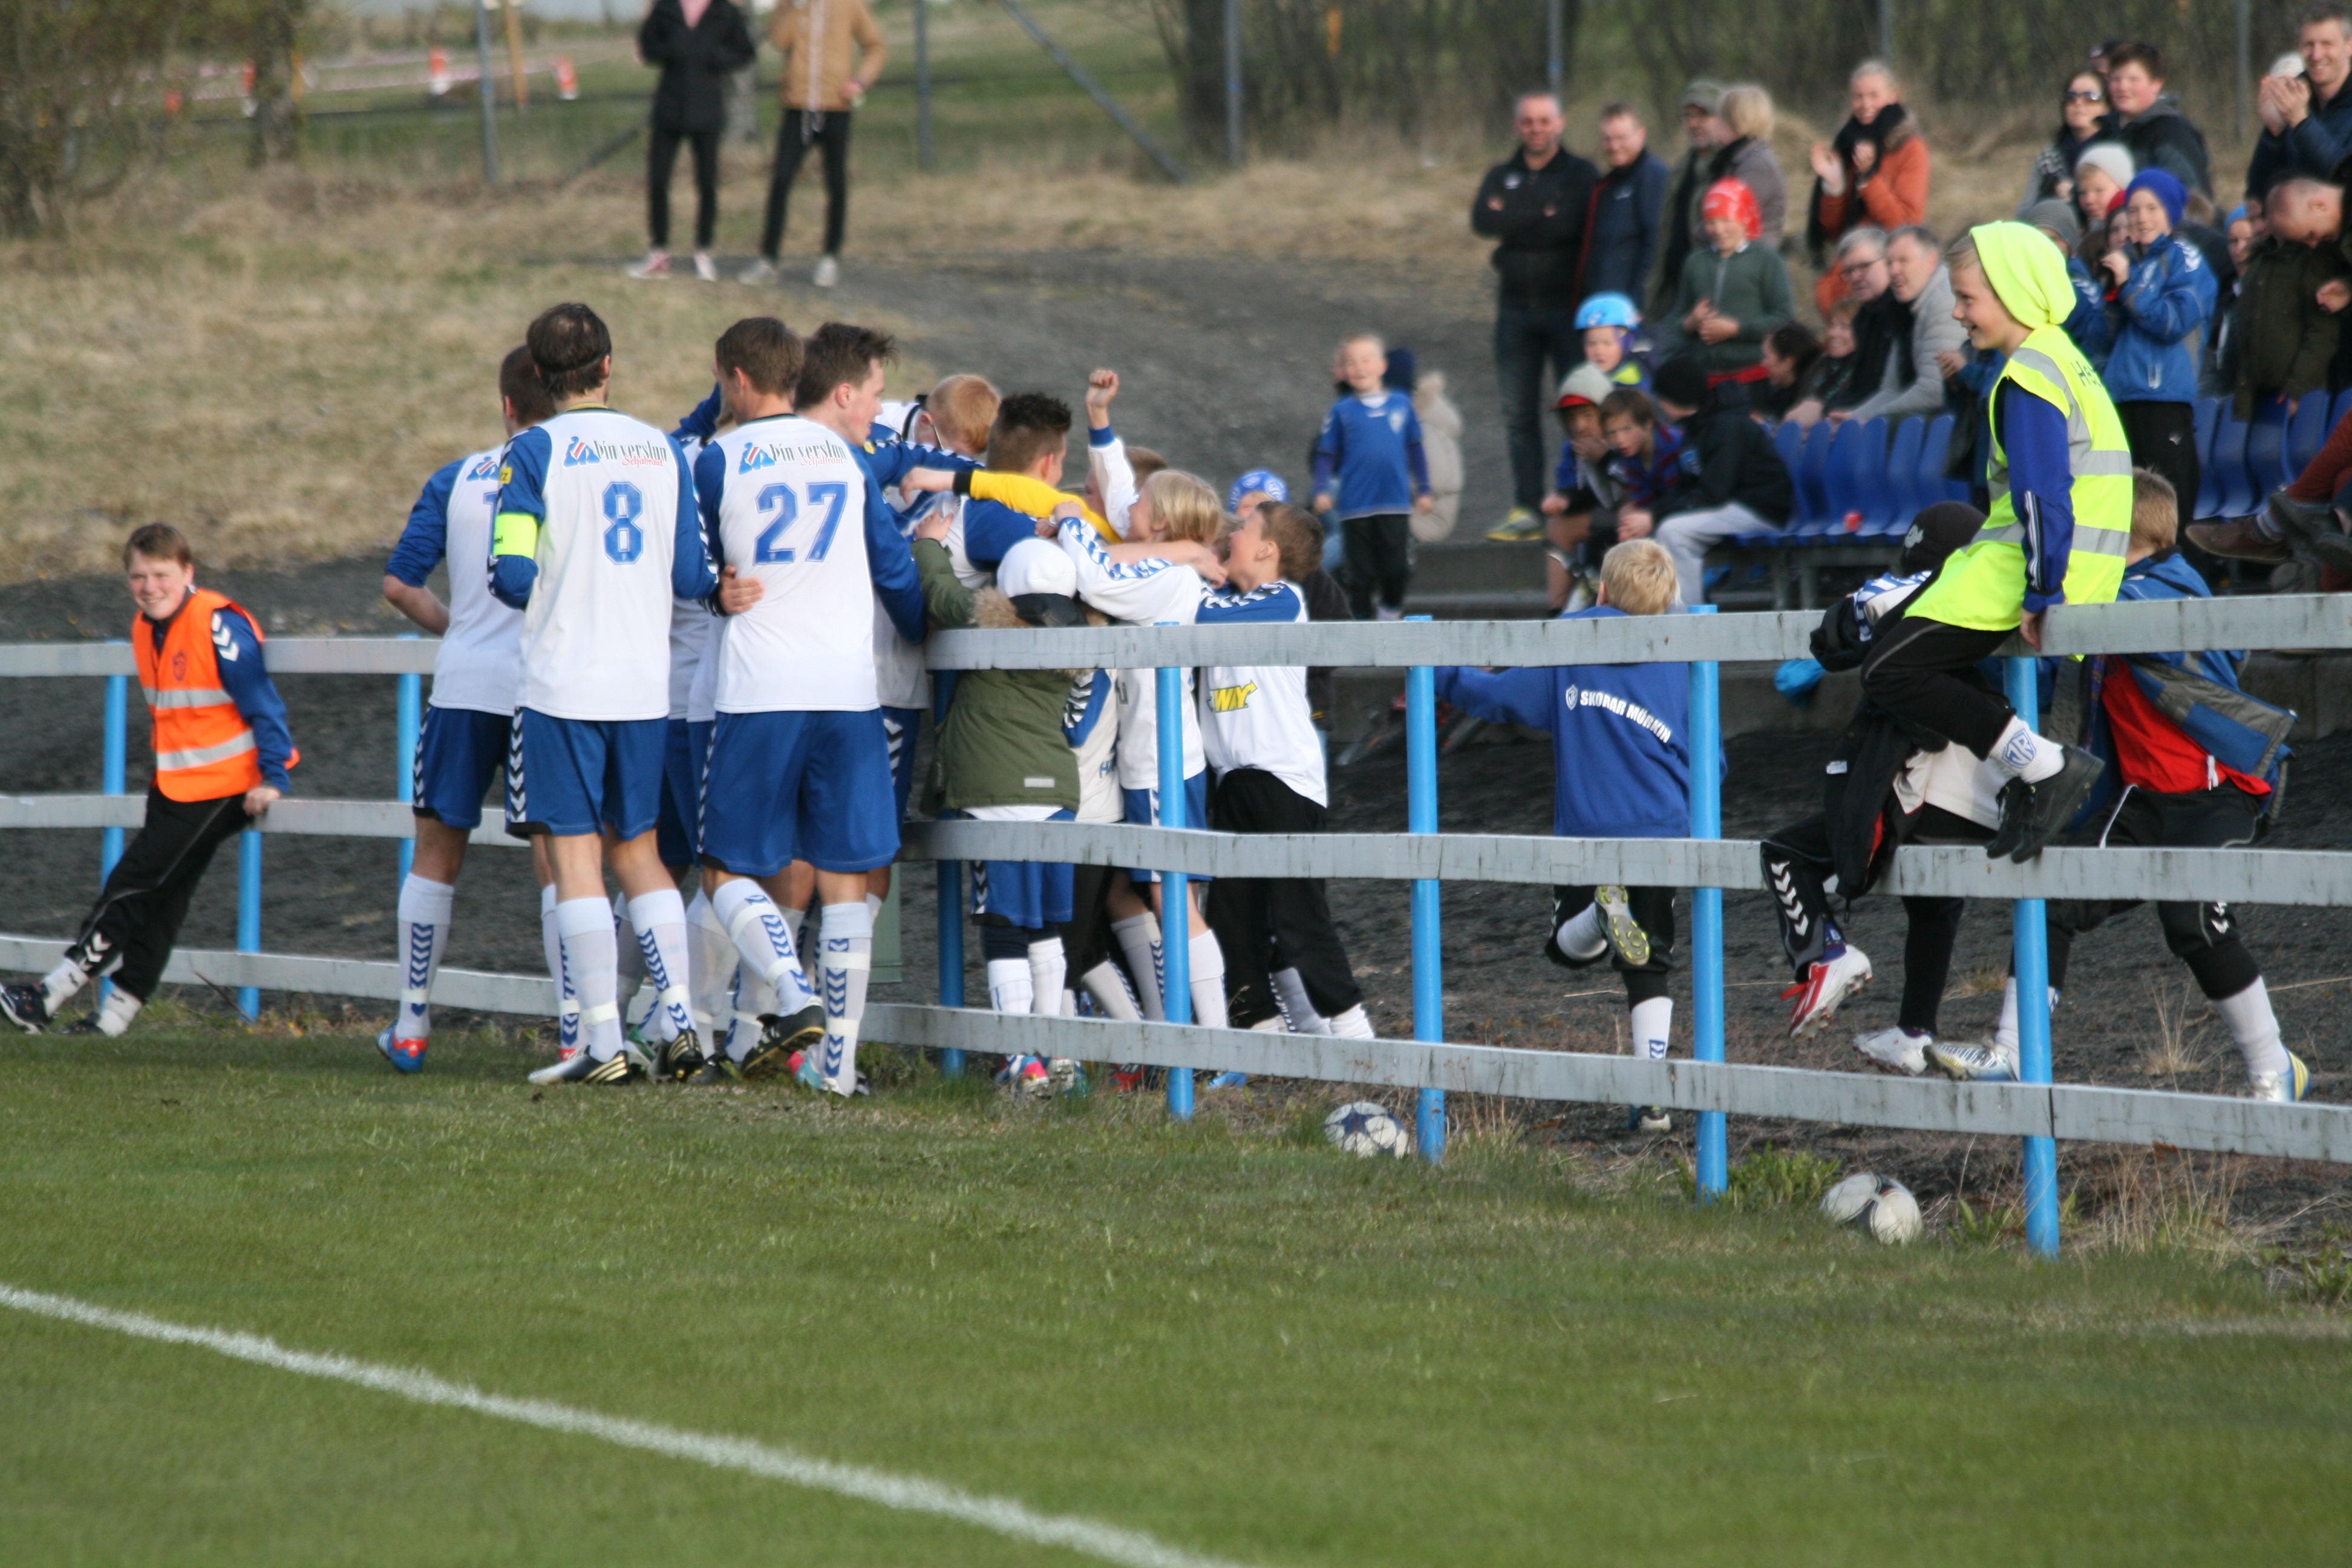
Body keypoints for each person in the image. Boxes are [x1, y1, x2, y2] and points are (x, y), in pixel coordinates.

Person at [1926, 473, 2308, 1103]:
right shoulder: (2106, 593)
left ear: (2116, 532)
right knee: (2052, 900)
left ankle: (2275, 1069)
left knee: (2195, 923)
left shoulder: (2171, 586)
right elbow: (2044, 659)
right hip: (2140, 800)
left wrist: (2046, 594)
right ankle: (2013, 1053)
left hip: (2215, 793)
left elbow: (2125, 617)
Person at [1850, 224, 2128, 898]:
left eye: (1968, 298)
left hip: (2032, 571)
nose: (1957, 312)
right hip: (2055, 566)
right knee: (1915, 665)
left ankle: (2040, 767)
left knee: (1888, 670)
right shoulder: (2061, 358)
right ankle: (2027, 774)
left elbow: (2042, 497)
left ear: (2013, 296)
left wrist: (2043, 589)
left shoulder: (2029, 374)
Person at [693, 320, 924, 1094]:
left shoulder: (719, 457)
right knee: (850, 875)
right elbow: (896, 570)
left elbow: (693, 565)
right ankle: (839, 1067)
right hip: (851, 693)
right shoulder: (847, 458)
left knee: (726, 867)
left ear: (738, 379)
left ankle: (789, 997)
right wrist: (927, 635)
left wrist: (714, 592)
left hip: (762, 691)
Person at [489, 303, 716, 1086]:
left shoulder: (532, 452)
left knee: (577, 857)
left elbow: (511, 575)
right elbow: (693, 575)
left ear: (539, 375)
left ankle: (602, 1041)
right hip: (643, 688)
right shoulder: (662, 448)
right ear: (609, 367)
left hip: (563, 685)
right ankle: (681, 1020)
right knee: (641, 854)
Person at [1433, 540, 1697, 1133]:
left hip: (1590, 828)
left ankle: (1600, 919)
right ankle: (1653, 1099)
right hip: (1663, 827)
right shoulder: (1683, 650)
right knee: (1649, 961)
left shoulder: (1572, 641)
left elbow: (1498, 699)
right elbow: (1710, 756)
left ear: (1601, 592)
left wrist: (1438, 672)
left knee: (1565, 945)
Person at [1, 524, 298, 1037]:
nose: (150, 587)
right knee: (164, 898)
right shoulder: (145, 627)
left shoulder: (218, 622)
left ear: (187, 572)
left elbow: (262, 700)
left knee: (131, 885)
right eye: (139, 577)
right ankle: (114, 1018)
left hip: (224, 785)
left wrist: (273, 777)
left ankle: (48, 995)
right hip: (175, 784)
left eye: (162, 575)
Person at [1756, 501, 1992, 1060]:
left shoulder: (1920, 593)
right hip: (1979, 799)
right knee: (1935, 904)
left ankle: (1826, 953)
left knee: (1784, 853)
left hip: (1914, 793)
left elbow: (1838, 629)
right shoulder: (1999, 599)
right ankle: (1915, 1033)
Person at [375, 347, 557, 1072]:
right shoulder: (577, 470)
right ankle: (575, 1030)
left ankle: (411, 1025)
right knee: (560, 859)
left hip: (465, 686)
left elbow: (399, 584)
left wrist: (461, 630)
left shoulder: (458, 477)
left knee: (436, 853)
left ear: (507, 405)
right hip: (547, 687)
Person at [907, 524, 1091, 1090]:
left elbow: (941, 595)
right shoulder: (1082, 642)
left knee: (1004, 924)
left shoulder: (987, 617)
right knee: (1046, 924)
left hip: (995, 792)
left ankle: (1019, 1059)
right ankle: (1054, 1054)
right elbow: (1077, 723)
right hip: (1056, 794)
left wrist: (929, 545)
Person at [1198, 503, 1374, 1043]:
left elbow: (1202, 617)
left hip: (1283, 779)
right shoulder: (1228, 598)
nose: (1232, 534)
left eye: (1244, 528)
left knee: (1298, 915)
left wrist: (1189, 566)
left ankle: (1355, 1032)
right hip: (1234, 779)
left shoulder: (1283, 598)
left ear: (1267, 550)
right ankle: (1262, 1029)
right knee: (1232, 918)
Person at [1472, 89, 1599, 543]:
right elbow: (1482, 221)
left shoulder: (1581, 173)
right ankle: (1527, 507)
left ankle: (1583, 500)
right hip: (1514, 312)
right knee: (1518, 415)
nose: (1536, 129)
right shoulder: (1500, 173)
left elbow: (1568, 223)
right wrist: (1539, 215)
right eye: (1528, 121)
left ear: (1560, 124)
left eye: (1545, 121)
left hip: (1567, 310)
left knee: (1580, 408)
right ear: (1517, 126)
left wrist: (1514, 218)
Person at [1624, 354, 1794, 606]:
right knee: (1664, 530)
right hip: (1731, 505)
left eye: (1662, 398)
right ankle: (1666, 610)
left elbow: (1713, 492)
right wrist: (1651, 514)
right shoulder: (1696, 426)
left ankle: (1685, 618)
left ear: (1673, 398)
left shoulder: (1728, 425)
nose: (1660, 404)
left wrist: (1655, 515)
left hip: (1760, 509)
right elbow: (1685, 488)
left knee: (1674, 532)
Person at [743, 0, 887, 289]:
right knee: (781, 179)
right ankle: (768, 258)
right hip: (797, 108)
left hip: (836, 107)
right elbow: (779, 40)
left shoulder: (849, 4)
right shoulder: (789, 5)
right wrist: (796, 8)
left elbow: (875, 47)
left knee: (836, 182)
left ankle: (830, 257)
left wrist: (860, 82)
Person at [2098, 171, 2214, 522]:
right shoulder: (2132, 261)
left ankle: (2179, 558)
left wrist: (2129, 285)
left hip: (2164, 400)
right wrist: (2109, 294)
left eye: (2152, 208)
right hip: (2122, 397)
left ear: (2171, 212)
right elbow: (2103, 335)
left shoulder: (2185, 259)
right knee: (2129, 510)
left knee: (2169, 505)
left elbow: (2172, 322)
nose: (2142, 218)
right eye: (2133, 210)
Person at [627, 0, 757, 283]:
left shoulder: (724, 11)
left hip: (707, 108)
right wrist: (669, 51)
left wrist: (718, 57)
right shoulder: (665, 9)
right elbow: (647, 46)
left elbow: (746, 52)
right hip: (669, 108)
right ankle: (659, 252)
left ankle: (703, 251)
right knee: (658, 181)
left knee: (707, 184)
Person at [1312, 332, 1432, 620]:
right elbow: (1325, 452)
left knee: (1396, 568)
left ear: (1382, 365)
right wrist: (1321, 489)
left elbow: (1416, 448)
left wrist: (1425, 489)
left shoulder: (1402, 404)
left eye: (1366, 360)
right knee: (1360, 573)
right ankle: (1363, 622)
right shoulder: (1341, 410)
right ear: (1344, 370)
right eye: (1351, 362)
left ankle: (1390, 609)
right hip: (1356, 505)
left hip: (1395, 502)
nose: (1359, 368)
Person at [1808, 62, 1932, 314]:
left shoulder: (1910, 148)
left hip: (1887, 275)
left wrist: (1868, 179)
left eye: (1874, 96)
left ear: (1894, 96)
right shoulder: (1847, 142)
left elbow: (1906, 225)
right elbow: (1834, 232)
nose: (1865, 105)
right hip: (1848, 276)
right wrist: (1834, 186)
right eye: (1858, 97)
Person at [1659, 178, 1792, 381]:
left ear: (1744, 218)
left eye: (1726, 220)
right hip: (1703, 373)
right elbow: (1677, 317)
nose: (1719, 230)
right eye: (1711, 222)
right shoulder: (1695, 261)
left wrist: (1737, 330)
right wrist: (1690, 322)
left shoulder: (1766, 260)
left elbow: (1784, 319)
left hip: (1752, 372)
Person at [1844, 224, 1965, 425]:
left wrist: (1869, 420)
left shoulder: (1945, 305)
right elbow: (1892, 389)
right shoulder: (1902, 308)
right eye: (1889, 263)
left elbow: (1933, 392)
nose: (1894, 271)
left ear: (1931, 262)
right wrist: (1853, 419)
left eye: (1903, 261)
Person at [2248, 3, 2352, 198]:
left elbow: (2345, 179)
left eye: (2327, 44)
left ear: (2349, 45)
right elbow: (2258, 191)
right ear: (2297, 46)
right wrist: (2273, 134)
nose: (2316, 55)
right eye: (2308, 45)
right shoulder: (2292, 98)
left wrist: (2302, 123)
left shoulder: (2296, 111)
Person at [1651, 81, 1726, 326]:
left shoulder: (1729, 168)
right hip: (1674, 294)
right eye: (1688, 116)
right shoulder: (1680, 170)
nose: (1694, 124)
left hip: (1709, 301)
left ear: (1722, 119)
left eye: (1703, 115)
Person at [1579, 102, 1669, 307]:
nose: (1614, 146)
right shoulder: (1607, 185)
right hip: (1602, 304)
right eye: (1607, 139)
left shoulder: (1653, 176)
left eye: (1622, 138)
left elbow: (1656, 245)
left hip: (1632, 309)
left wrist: (1640, 302)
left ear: (1641, 134)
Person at [2099, 42, 2212, 196]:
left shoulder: (2173, 134)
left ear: (2156, 84)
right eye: (2116, 79)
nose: (2122, 87)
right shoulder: (2105, 132)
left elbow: (2191, 196)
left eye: (2133, 80)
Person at [2017, 71, 2113, 217]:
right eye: (2071, 98)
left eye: (2090, 97)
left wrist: (2076, 193)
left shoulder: (2116, 153)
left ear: (2107, 107)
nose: (2078, 103)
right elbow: (2025, 212)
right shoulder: (2049, 158)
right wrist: (2052, 199)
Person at [1706, 85, 1788, 250]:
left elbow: (1730, 218)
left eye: (1721, 117)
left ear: (1735, 121)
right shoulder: (1735, 159)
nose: (1716, 123)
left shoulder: (1757, 165)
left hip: (1751, 258)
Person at [1598, 387, 1681, 510]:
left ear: (1648, 423)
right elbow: (1644, 498)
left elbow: (1677, 498)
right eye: (1612, 433)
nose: (1620, 440)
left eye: (1627, 429)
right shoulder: (1630, 454)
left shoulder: (1672, 446)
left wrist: (1648, 515)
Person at [2073, 143, 2135, 258]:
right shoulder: (2081, 234)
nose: (2089, 200)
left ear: (2122, 187)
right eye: (2082, 193)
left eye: (2099, 191)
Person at [1751, 320, 1821, 422]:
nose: (1763, 363)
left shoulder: (1802, 399)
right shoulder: (1779, 395)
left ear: (1788, 363)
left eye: (1766, 357)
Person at [1575, 292, 1648, 390]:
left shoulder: (1635, 386)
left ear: (1627, 343)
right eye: (1591, 344)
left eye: (1607, 343)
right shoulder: (1579, 381)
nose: (1599, 352)